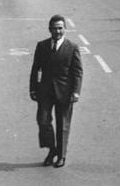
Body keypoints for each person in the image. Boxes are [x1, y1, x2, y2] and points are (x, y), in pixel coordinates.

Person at [29, 14, 83, 168]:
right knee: (43, 121)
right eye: (54, 28)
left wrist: (76, 92)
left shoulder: (72, 48)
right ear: (49, 29)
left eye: (60, 28)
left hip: (65, 93)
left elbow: (78, 72)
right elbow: (35, 69)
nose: (57, 31)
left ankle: (61, 155)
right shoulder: (42, 46)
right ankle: (52, 149)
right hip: (45, 92)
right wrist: (33, 89)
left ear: (64, 29)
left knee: (63, 125)